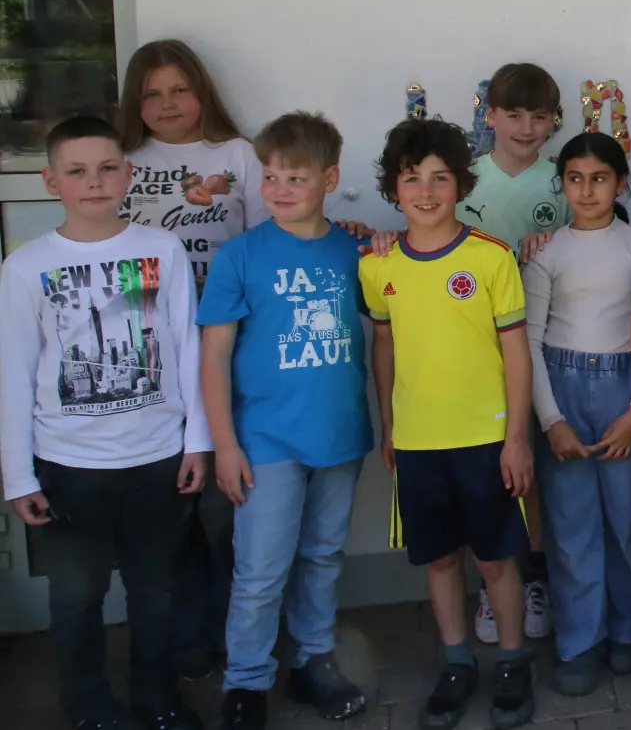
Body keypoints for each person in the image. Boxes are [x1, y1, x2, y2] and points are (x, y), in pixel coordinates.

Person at [0, 116, 210, 730]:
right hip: (68, 465)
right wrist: (18, 475)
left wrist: (196, 441)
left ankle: (155, 697)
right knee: (75, 597)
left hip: (157, 457)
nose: (94, 182)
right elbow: (14, 372)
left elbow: (187, 347)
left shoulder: (162, 250)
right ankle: (88, 707)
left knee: (156, 590)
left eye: (106, 168)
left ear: (128, 175)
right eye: (77, 171)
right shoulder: (25, 267)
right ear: (51, 182)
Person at [360, 118, 536, 730]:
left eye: (440, 178)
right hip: (418, 442)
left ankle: (512, 662)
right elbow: (384, 347)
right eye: (412, 178)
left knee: (495, 561)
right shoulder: (377, 265)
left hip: (486, 440)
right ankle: (457, 664)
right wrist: (390, 426)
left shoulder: (490, 257)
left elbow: (517, 353)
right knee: (439, 560)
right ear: (393, 188)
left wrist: (517, 438)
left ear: (461, 183)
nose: (427, 191)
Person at [198, 112, 371, 730]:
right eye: (270, 177)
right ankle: (247, 680)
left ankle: (313, 661)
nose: (279, 190)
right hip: (265, 440)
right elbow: (214, 355)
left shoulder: (355, 250)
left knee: (322, 555)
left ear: (330, 179)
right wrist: (224, 444)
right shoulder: (240, 255)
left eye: (295, 178)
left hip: (339, 432)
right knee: (261, 568)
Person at [118, 39, 268, 682]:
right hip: (147, 352)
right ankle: (186, 638)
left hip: (227, 347)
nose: (167, 104)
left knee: (224, 506)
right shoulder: (120, 162)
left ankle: (242, 634)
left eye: (179, 89)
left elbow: (265, 244)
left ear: (202, 90)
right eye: (151, 93)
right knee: (169, 504)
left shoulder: (238, 155)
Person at [525, 132, 631, 697]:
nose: (586, 190)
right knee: (570, 525)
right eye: (575, 179)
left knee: (625, 521)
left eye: (599, 178)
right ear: (562, 184)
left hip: (624, 389)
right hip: (561, 388)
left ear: (620, 183)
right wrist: (550, 420)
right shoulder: (545, 252)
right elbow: (529, 342)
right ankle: (580, 640)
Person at [455, 62, 566, 647]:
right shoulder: (463, 181)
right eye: (514, 114)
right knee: (487, 471)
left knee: (536, 472)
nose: (526, 128)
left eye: (539, 116)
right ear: (490, 116)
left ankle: (537, 579)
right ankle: (493, 583)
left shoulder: (563, 182)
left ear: (553, 121)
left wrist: (558, 242)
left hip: (544, 344)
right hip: (474, 347)